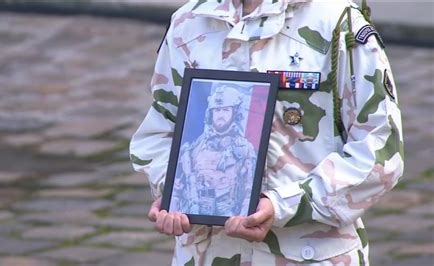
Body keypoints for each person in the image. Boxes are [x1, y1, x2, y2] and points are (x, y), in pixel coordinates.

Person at [130, 0, 404, 265]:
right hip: (206, 255)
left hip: (309, 254)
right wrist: (176, 191)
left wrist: (284, 204)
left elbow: (381, 150)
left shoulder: (338, 23)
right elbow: (160, 130)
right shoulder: (187, 24)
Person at [170, 84, 256, 217]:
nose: (220, 115)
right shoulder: (195, 147)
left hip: (231, 216)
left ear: (235, 113)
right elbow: (177, 188)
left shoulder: (245, 148)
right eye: (217, 110)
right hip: (195, 215)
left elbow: (250, 192)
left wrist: (244, 219)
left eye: (226, 110)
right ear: (210, 114)